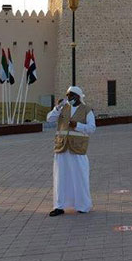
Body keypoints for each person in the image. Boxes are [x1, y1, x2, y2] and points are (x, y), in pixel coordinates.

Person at [46, 86, 96, 217]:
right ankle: (59, 206)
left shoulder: (87, 110)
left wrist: (78, 126)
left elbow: (92, 128)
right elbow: (49, 119)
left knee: (79, 177)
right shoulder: (63, 108)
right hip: (62, 148)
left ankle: (83, 205)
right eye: (67, 96)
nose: (69, 98)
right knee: (60, 178)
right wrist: (56, 108)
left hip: (77, 150)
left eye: (71, 96)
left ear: (78, 97)